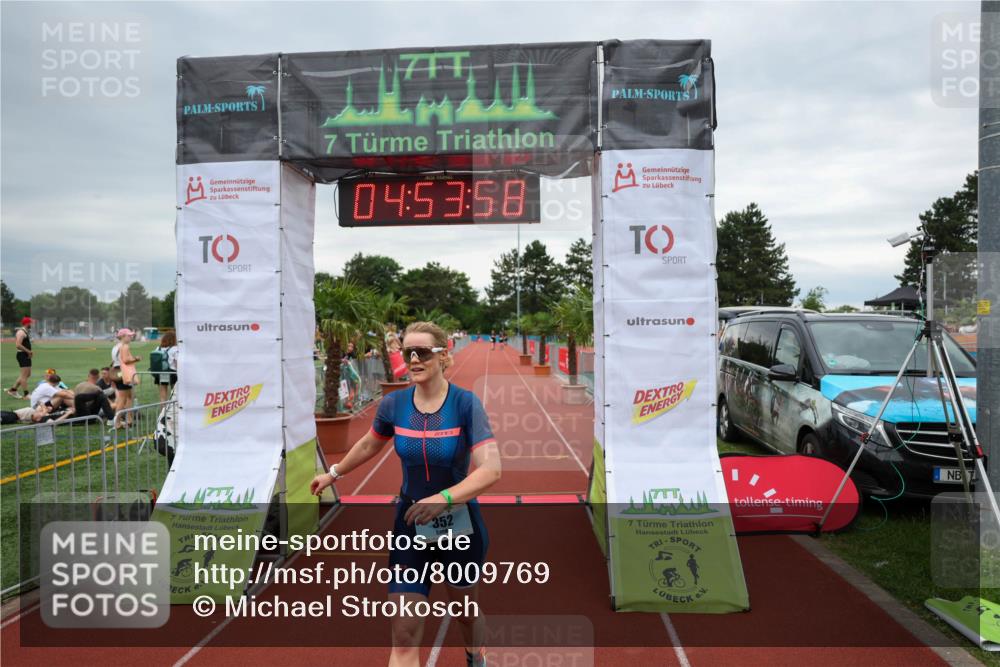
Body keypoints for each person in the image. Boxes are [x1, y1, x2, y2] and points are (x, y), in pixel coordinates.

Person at [311, 322, 501, 667]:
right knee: (403, 631)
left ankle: (477, 656)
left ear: (444, 356)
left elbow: (491, 470)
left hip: (460, 528)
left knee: (464, 612)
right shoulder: (394, 404)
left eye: (423, 352)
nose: (413, 359)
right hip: (410, 526)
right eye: (407, 352)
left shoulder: (465, 405)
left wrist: (443, 499)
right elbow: (371, 442)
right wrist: (333, 473)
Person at [111, 329, 140, 428]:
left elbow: (114, 360)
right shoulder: (124, 346)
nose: (131, 337)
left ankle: (128, 419)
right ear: (123, 336)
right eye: (129, 336)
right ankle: (118, 422)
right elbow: (126, 360)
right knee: (123, 398)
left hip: (117, 372)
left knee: (128, 397)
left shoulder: (115, 347)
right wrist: (136, 359)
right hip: (123, 373)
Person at [7, 317, 35, 399]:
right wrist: (28, 351)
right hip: (22, 355)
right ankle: (26, 394)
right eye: (31, 323)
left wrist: (29, 352)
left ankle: (13, 390)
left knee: (27, 374)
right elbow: (18, 345)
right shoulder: (21, 332)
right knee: (24, 375)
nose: (32, 324)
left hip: (25, 355)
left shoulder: (26, 331)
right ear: (27, 323)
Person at [152, 331, 179, 402]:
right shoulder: (175, 349)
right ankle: (174, 412)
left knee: (162, 396)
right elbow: (177, 363)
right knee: (175, 394)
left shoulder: (158, 348)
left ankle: (163, 412)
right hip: (172, 374)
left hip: (160, 373)